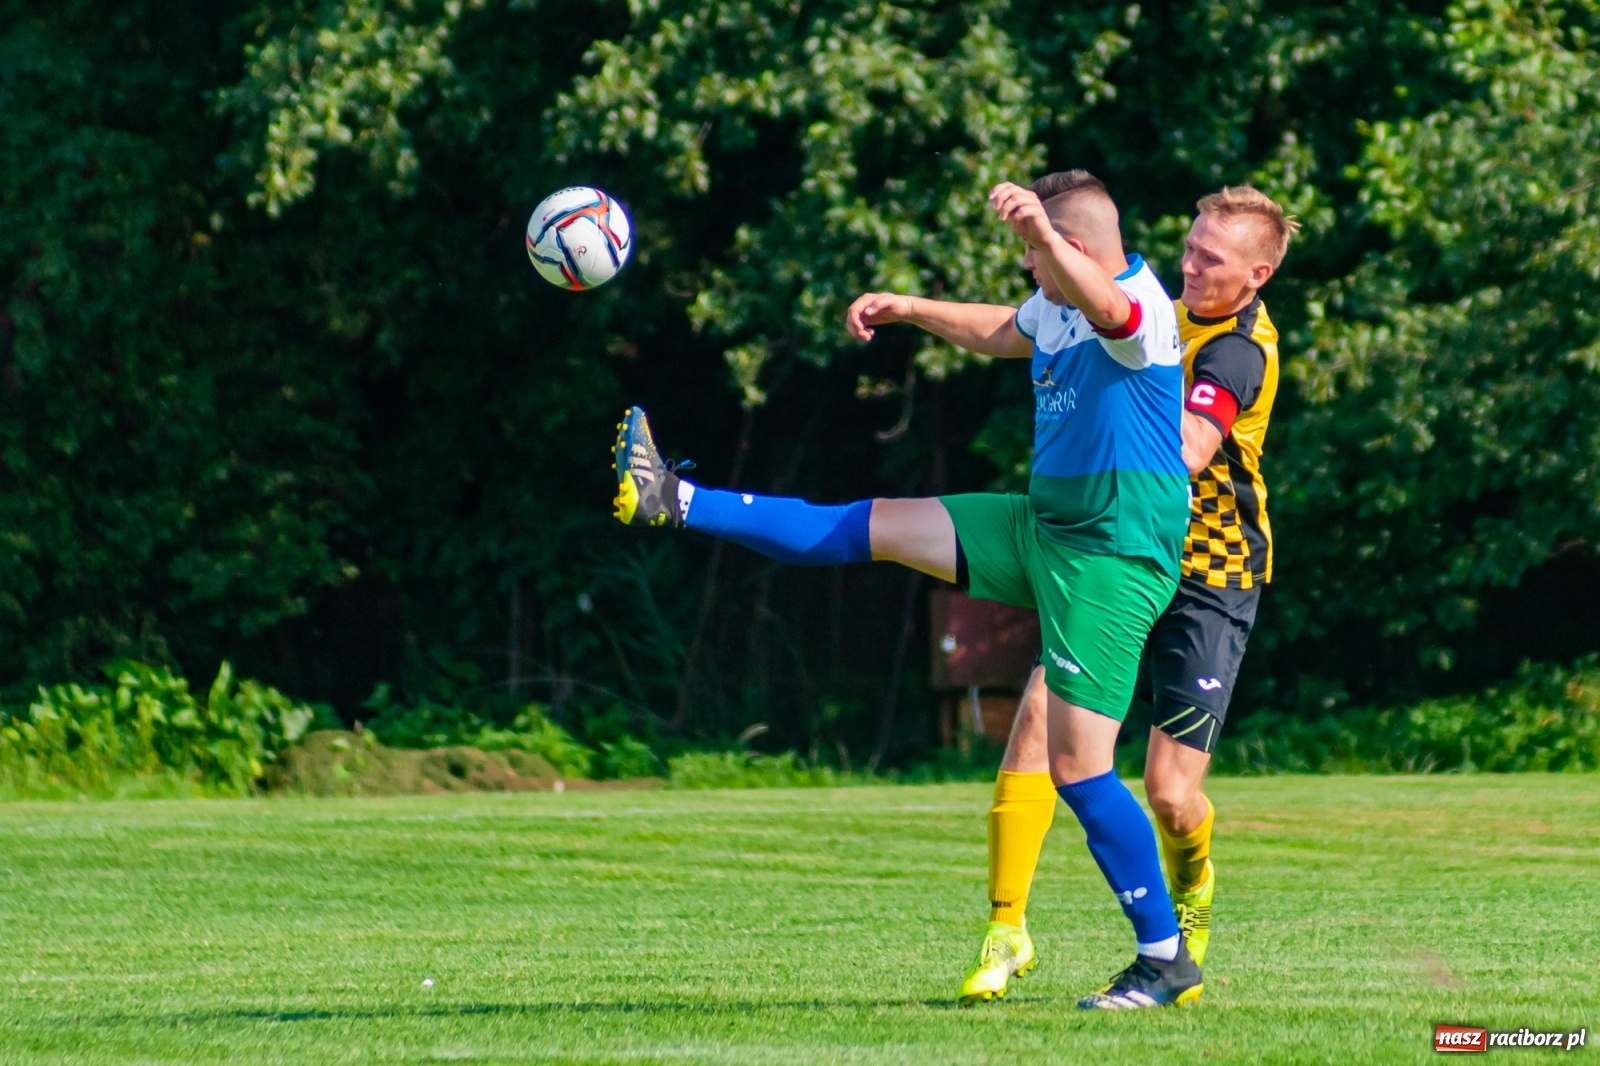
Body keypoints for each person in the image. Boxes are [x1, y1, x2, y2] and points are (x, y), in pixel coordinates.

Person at [614, 170, 1205, 1009]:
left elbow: (1105, 307)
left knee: (1079, 769)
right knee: (877, 522)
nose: (1028, 272)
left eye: (1036, 256)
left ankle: (1164, 960)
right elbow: (1010, 328)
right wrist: (910, 307)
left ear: (1070, 248)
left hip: (1112, 558)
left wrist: (1039, 235)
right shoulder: (1058, 303)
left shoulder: (1135, 304)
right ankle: (676, 498)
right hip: (1045, 526)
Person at [955, 186, 1298, 1007]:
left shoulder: (1237, 352)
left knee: (1172, 797)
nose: (1188, 265)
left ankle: (1193, 886)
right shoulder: (1158, 308)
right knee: (1040, 712)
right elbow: (1027, 325)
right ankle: (1007, 929)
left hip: (1208, 575)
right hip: (1118, 549)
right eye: (1186, 247)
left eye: (1208, 260)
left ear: (1254, 276)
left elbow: (1185, 447)